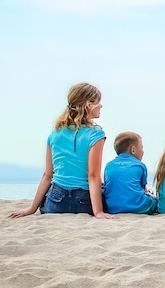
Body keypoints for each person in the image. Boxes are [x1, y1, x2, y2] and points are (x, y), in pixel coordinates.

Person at [9, 82, 115, 219]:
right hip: (84, 201)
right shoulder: (96, 134)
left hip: (56, 201)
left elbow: (47, 175)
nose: (101, 106)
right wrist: (98, 212)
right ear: (88, 104)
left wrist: (32, 208)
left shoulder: (55, 134)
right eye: (99, 102)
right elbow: (93, 176)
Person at [103, 132, 158, 214]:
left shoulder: (109, 166)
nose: (143, 152)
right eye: (141, 148)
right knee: (154, 201)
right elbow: (143, 189)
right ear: (133, 150)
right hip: (139, 208)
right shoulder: (140, 166)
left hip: (114, 208)